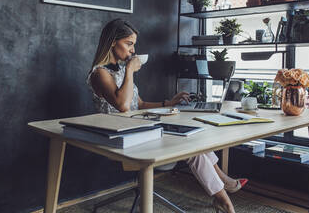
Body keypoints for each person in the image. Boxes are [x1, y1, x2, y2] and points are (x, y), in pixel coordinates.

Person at [87, 18, 247, 213]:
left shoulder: (119, 71)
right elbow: (123, 105)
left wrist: (169, 103)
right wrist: (130, 70)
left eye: (134, 45)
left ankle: (222, 183)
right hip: (119, 139)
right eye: (129, 44)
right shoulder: (100, 74)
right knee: (190, 147)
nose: (133, 51)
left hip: (139, 130)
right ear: (113, 42)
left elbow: (140, 105)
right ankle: (223, 199)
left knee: (192, 136)